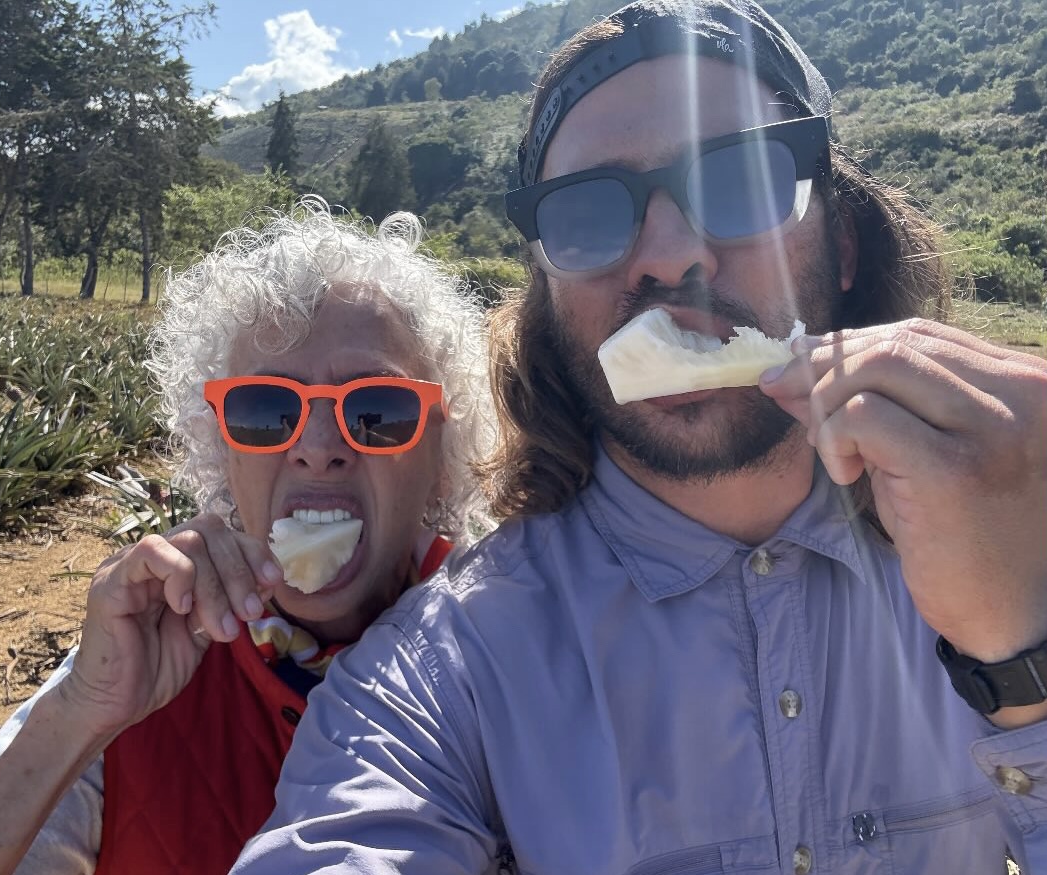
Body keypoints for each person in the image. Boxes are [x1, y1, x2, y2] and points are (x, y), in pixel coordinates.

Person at [228, 2, 1047, 873]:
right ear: (549, 299)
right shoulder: (444, 668)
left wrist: (1022, 658)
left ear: (841, 247)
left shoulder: (1009, 546)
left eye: (739, 181)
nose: (668, 254)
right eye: (587, 214)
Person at [0, 198, 496, 874]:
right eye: (266, 410)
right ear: (221, 453)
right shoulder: (151, 656)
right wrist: (82, 712)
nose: (318, 448)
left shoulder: (511, 662)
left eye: (377, 409)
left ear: (443, 457)